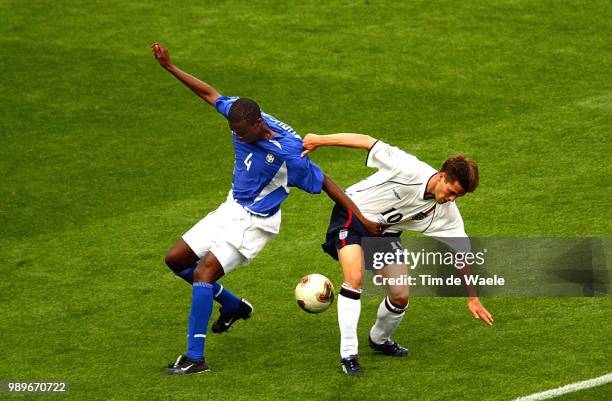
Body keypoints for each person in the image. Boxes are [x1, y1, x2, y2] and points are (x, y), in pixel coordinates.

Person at [151, 43, 380, 375]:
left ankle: (194, 358)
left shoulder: (290, 153)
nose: (238, 137)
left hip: (255, 223)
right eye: (234, 131)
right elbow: (211, 94)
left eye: (241, 132)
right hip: (232, 207)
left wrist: (363, 220)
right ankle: (232, 306)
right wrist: (170, 67)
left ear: (258, 123)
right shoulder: (240, 114)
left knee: (203, 274)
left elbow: (328, 182)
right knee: (176, 261)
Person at [301, 133, 494, 375]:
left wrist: (472, 297)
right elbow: (367, 141)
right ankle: (348, 354)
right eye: (452, 192)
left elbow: (461, 254)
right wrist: (319, 140)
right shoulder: (409, 168)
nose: (451, 200)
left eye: (458, 196)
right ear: (442, 176)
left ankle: (379, 339)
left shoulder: (447, 213)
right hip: (352, 214)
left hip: (384, 233)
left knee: (400, 296)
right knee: (354, 278)